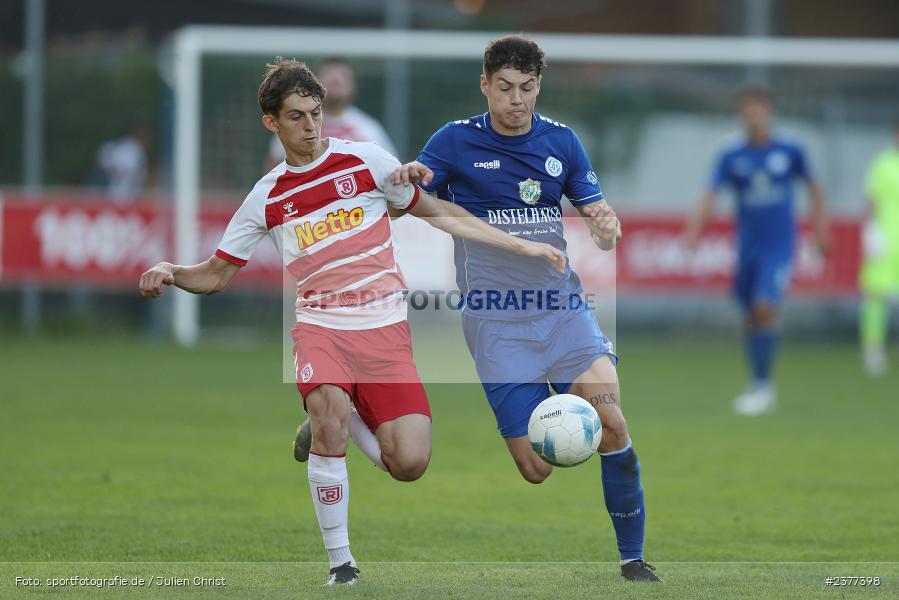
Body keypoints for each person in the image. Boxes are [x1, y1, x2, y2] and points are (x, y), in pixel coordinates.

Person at [139, 57, 564, 587]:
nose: (311, 127)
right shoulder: (266, 197)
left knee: (408, 463)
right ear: (271, 122)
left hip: (386, 333)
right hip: (320, 328)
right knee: (331, 417)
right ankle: (342, 564)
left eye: (315, 113)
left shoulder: (365, 161)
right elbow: (216, 274)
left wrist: (518, 244)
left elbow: (436, 211)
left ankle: (332, 417)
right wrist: (172, 272)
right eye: (296, 117)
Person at [384, 35, 661, 582]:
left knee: (611, 420)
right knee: (536, 468)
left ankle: (633, 560)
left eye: (527, 88)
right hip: (495, 322)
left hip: (563, 311)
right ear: (485, 84)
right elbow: (415, 199)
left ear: (540, 86)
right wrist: (413, 179)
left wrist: (607, 228)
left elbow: (600, 219)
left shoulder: (563, 142)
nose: (517, 99)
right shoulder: (454, 141)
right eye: (505, 88)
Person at [684, 87, 830, 415]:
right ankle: (757, 381)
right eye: (748, 112)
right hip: (748, 247)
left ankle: (763, 385)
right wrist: (694, 230)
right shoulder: (732, 156)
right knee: (751, 314)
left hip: (779, 247)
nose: (754, 117)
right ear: (742, 116)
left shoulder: (790, 150)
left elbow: (814, 187)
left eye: (759, 111)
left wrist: (821, 229)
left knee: (765, 307)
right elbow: (711, 193)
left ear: (769, 113)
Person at [265, 57, 396, 171]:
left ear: (353, 86)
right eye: (329, 74)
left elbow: (391, 172)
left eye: (343, 75)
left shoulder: (368, 129)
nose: (336, 80)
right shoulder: (294, 123)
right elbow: (274, 167)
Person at [859, 119, 899, 376]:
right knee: (876, 296)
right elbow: (871, 201)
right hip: (886, 242)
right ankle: (873, 349)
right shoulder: (883, 164)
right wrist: (869, 231)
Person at [95, 123, 150, 202]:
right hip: (113, 188)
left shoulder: (134, 148)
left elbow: (138, 170)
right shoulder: (113, 146)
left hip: (130, 188)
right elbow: (107, 165)